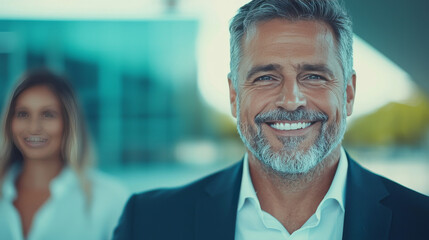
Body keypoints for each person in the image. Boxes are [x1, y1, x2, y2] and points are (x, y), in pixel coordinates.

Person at [113, 0, 429, 239]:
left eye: (314, 76)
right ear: (235, 96)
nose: (291, 101)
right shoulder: (149, 223)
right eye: (266, 77)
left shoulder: (420, 222)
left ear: (348, 93)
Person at [0, 69, 129, 240]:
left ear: (69, 123)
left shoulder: (110, 199)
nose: (33, 128)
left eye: (48, 115)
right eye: (23, 114)